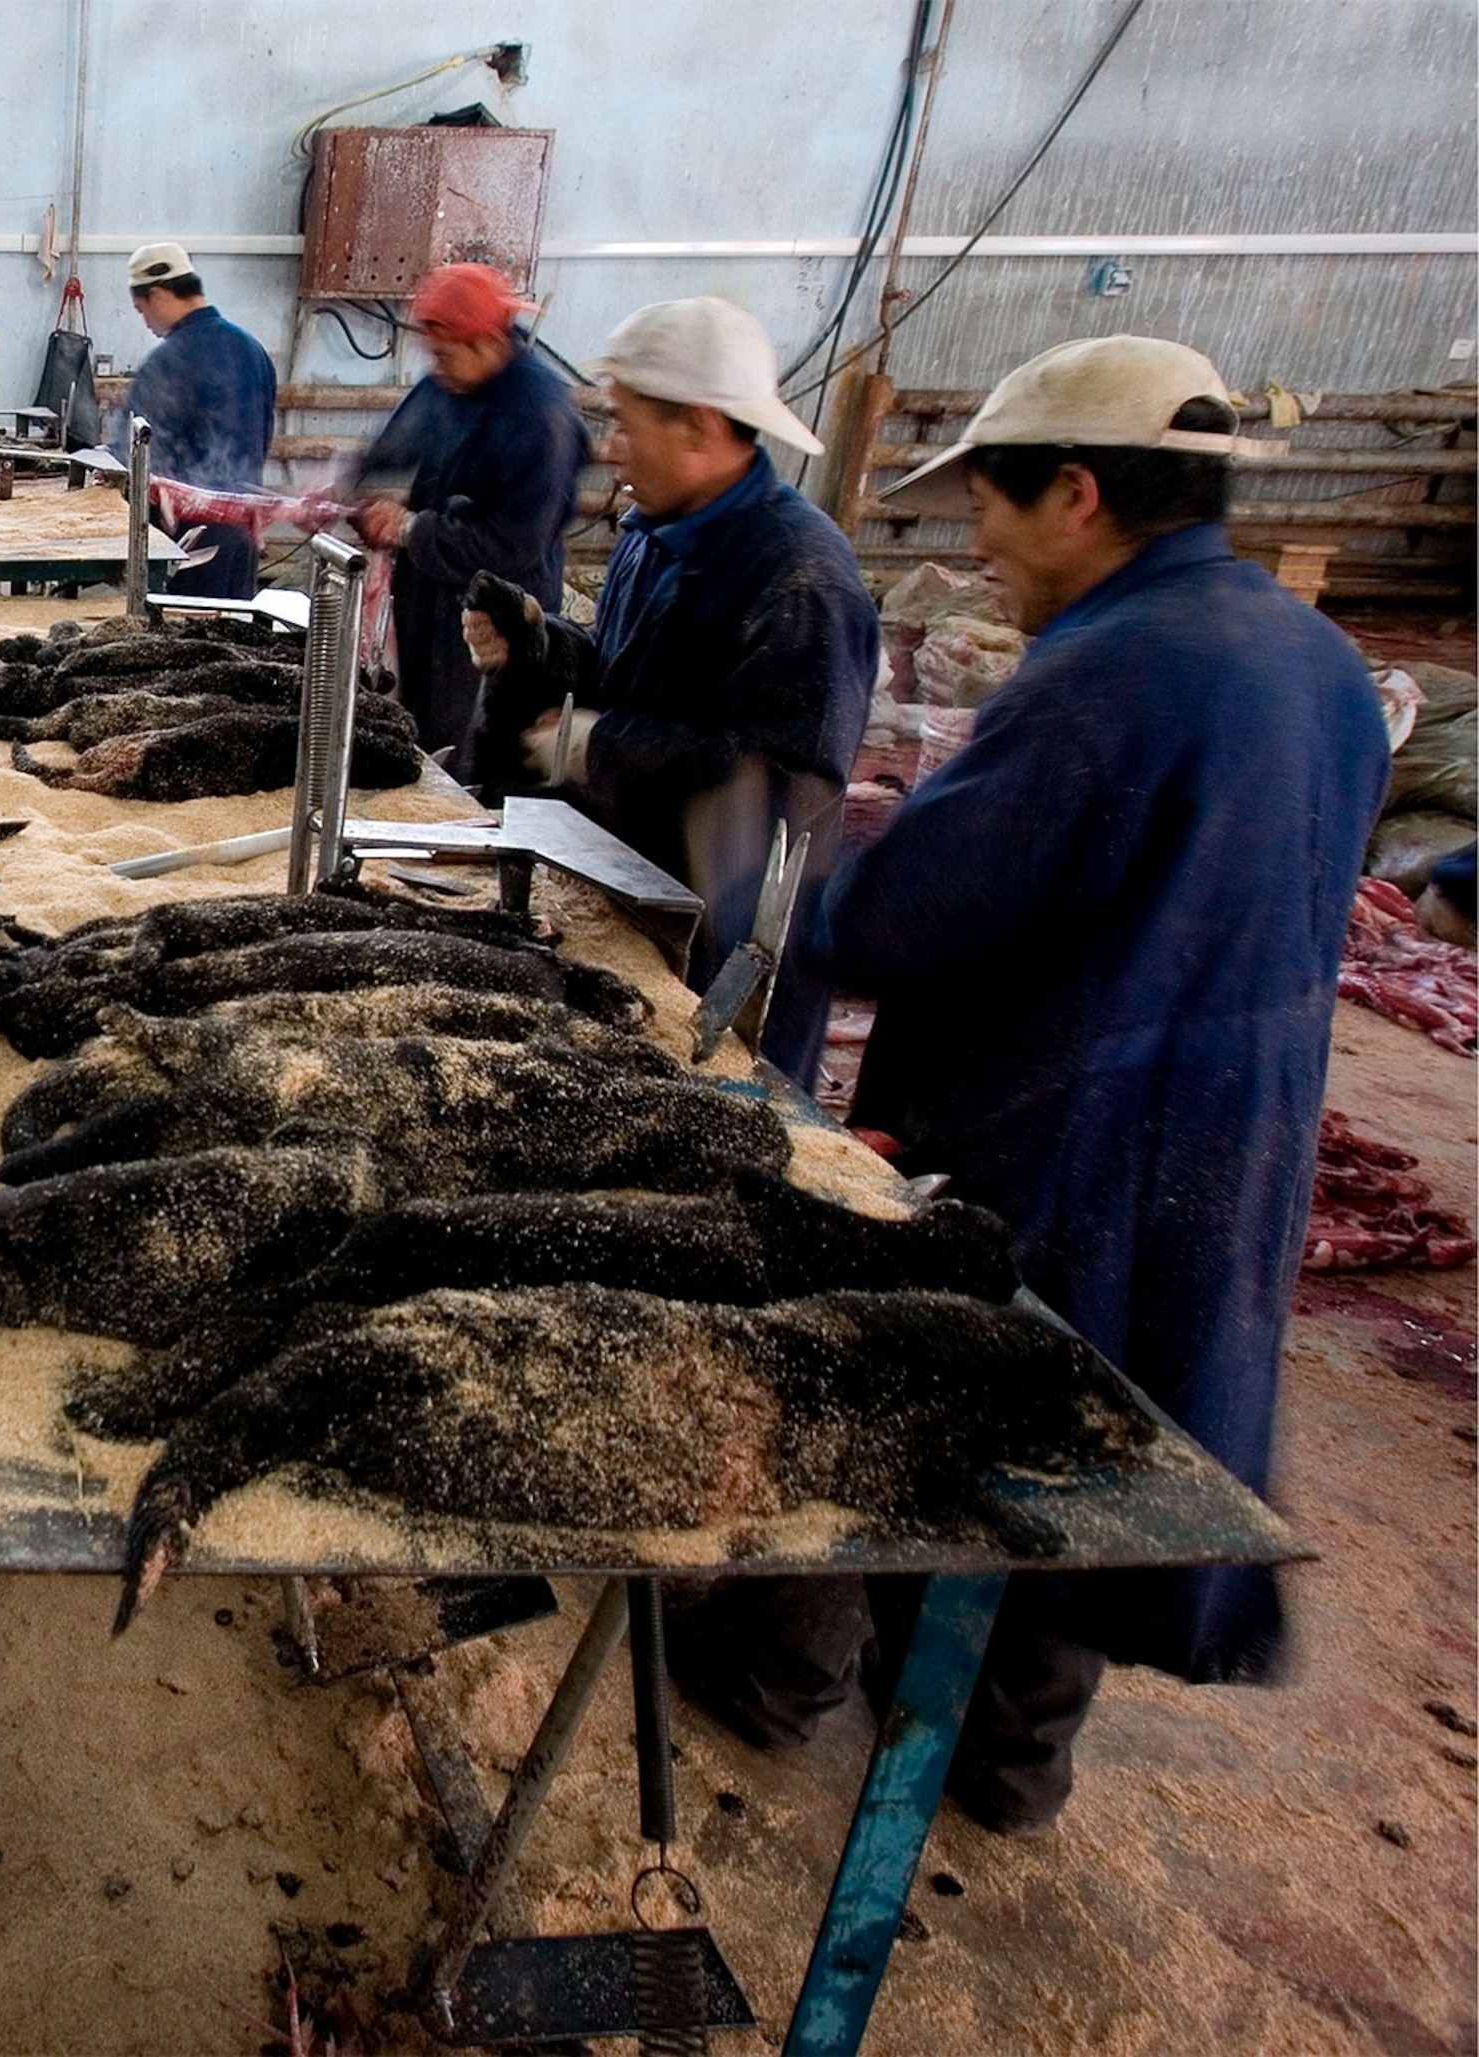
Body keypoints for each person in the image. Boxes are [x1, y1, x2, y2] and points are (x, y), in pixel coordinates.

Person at [670, 336, 1390, 1833]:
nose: (978, 545)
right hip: (1233, 1136)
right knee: (1100, 1422)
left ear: (1076, 491)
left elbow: (909, 916)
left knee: (913, 1400)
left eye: (989, 507)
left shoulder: (1116, 669)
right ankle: (1009, 1761)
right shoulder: (1313, 660)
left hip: (1063, 1131)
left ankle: (771, 1682)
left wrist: (750, 855)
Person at [462, 296, 878, 1084]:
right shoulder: (656, 532)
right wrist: (537, 644)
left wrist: (596, 746)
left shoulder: (800, 582)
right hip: (640, 892)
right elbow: (631, 674)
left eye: (626, 423)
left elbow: (783, 784)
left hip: (723, 950)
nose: (612, 448)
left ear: (700, 424)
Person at [348, 263, 589, 771]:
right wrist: (342, 479)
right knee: (415, 720)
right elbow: (401, 439)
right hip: (430, 594)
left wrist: (411, 528)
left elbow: (514, 543)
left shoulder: (540, 417)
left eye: (442, 355)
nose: (434, 368)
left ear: (485, 343)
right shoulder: (451, 381)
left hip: (493, 617)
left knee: (463, 741)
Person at [121, 241, 278, 599]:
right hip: (242, 533)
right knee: (230, 635)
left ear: (158, 295)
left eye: (141, 310)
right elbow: (263, 438)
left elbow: (132, 457)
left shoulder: (169, 362)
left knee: (181, 640)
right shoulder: (252, 350)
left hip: (185, 542)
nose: (145, 323)